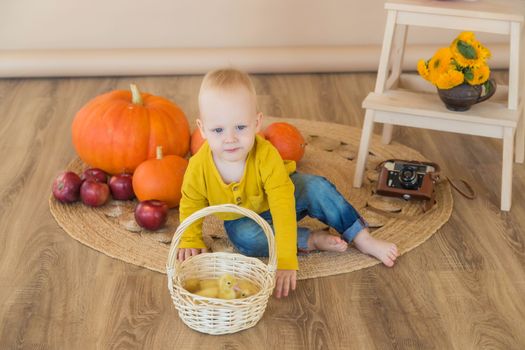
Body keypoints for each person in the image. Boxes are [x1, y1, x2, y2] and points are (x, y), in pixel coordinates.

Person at [177, 68, 399, 298]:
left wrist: (285, 260)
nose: (230, 138)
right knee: (244, 239)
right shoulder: (198, 167)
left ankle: (362, 238)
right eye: (218, 130)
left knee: (317, 188)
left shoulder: (265, 155)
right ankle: (310, 240)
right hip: (244, 220)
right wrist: (190, 237)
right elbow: (191, 203)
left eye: (240, 127)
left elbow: (283, 207)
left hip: (287, 197)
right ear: (202, 129)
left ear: (257, 123)